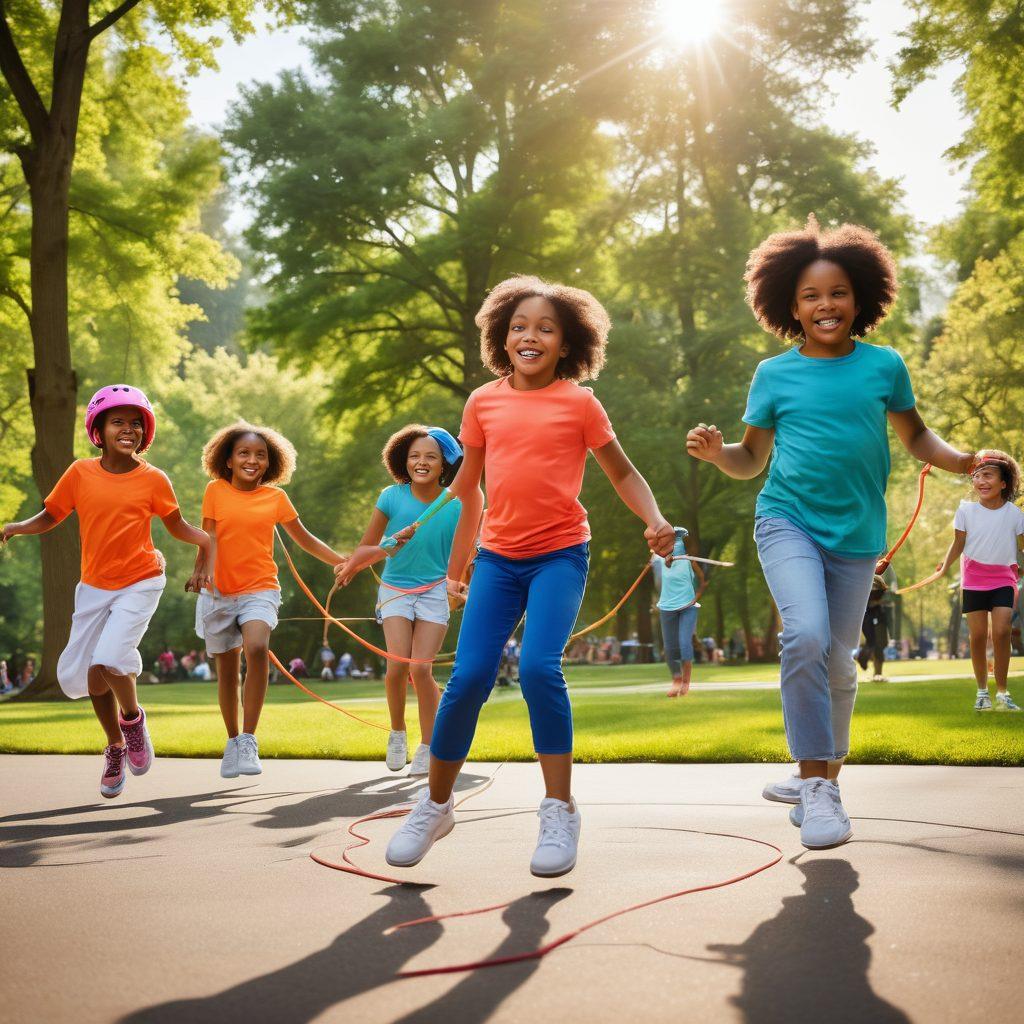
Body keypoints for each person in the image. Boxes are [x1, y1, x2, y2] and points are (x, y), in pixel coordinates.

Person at [686, 217, 975, 849]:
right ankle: (818, 788)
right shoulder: (774, 375)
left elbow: (917, 436)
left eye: (838, 292)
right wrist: (717, 454)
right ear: (789, 305)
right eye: (811, 296)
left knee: (839, 662)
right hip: (786, 518)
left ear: (860, 298)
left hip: (858, 532)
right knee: (806, 637)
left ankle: (821, 775)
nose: (826, 305)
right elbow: (751, 460)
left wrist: (962, 462)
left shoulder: (885, 367)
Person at [385, 274, 674, 877]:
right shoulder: (482, 403)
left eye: (545, 328)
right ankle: (436, 805)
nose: (530, 336)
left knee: (542, 667)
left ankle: (559, 808)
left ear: (567, 344)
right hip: (497, 559)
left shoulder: (579, 402)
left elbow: (622, 473)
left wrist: (654, 518)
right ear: (501, 336)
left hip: (560, 555)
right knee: (467, 680)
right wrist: (458, 569)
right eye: (519, 326)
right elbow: (467, 493)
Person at [1, 385, 210, 798]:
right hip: (94, 586)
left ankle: (133, 723)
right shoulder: (79, 473)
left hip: (142, 579)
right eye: (118, 421)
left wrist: (209, 544)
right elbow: (52, 514)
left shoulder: (154, 479)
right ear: (99, 428)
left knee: (112, 657)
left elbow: (177, 527)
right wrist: (18, 527)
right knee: (85, 674)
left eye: (136, 423)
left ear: (145, 431)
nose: (127, 429)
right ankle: (114, 745)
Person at [194, 421, 347, 779]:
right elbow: (207, 536)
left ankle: (249, 738)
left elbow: (305, 539)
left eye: (260, 455)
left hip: (260, 588)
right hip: (216, 591)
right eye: (244, 453)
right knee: (227, 674)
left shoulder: (275, 498)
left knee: (258, 648)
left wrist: (342, 560)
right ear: (228, 460)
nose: (252, 460)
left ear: (270, 461)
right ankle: (232, 741)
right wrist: (200, 571)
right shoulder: (215, 490)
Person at [336, 425, 463, 775]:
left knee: (421, 669)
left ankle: (428, 744)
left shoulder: (455, 503)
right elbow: (364, 548)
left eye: (431, 457)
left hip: (435, 591)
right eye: (415, 456)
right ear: (403, 460)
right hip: (395, 591)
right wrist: (390, 543)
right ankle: (397, 732)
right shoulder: (391, 496)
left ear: (444, 464)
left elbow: (467, 554)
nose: (422, 462)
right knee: (396, 667)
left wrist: (462, 584)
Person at [935, 450, 1024, 711]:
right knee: (977, 637)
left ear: (1004, 483)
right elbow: (958, 543)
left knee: (1001, 631)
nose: (981, 481)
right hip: (973, 579)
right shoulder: (965, 510)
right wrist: (943, 567)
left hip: (1003, 579)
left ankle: (1003, 693)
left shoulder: (1015, 515)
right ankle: (982, 693)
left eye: (988, 475)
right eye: (977, 476)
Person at [651, 527, 706, 696]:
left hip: (688, 606)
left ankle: (686, 682)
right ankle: (676, 678)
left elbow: (703, 580)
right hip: (667, 606)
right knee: (669, 647)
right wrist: (657, 559)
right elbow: (658, 581)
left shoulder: (689, 561)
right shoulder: (658, 561)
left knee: (684, 643)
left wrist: (697, 594)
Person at [857, 575, 889, 681]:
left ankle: (876, 672)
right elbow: (868, 604)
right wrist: (879, 602)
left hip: (877, 619)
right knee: (876, 645)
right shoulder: (868, 588)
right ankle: (876, 672)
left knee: (879, 645)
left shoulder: (878, 588)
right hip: (871, 620)